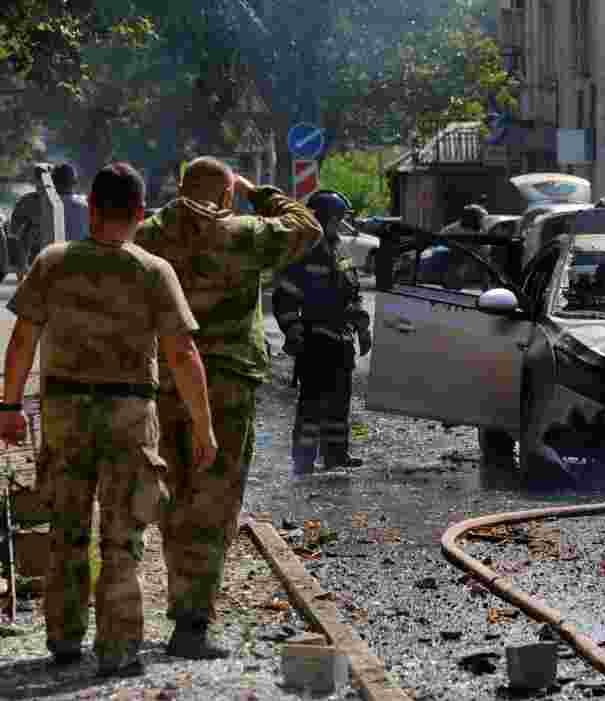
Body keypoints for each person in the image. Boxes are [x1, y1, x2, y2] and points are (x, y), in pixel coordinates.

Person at [0, 162, 217, 677]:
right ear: (140, 214)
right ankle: (118, 650)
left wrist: (8, 407)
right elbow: (184, 355)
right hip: (129, 418)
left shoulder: (52, 263)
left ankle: (63, 642)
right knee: (122, 540)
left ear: (91, 209)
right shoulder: (152, 271)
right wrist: (204, 427)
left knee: (66, 531)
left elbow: (23, 339)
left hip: (64, 415)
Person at [135, 156, 322, 659]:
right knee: (215, 499)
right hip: (229, 388)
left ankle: (178, 603)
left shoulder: (150, 233)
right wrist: (257, 191)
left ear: (179, 188)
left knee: (175, 491)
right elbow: (308, 226)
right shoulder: (243, 233)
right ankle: (193, 623)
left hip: (170, 379)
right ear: (226, 197)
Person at [272, 190, 372, 475]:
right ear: (323, 219)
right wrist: (293, 330)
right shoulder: (302, 253)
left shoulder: (340, 251)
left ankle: (336, 455)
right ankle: (303, 460)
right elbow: (285, 298)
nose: (339, 225)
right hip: (314, 340)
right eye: (336, 219)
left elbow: (353, 292)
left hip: (341, 340)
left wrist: (362, 328)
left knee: (339, 403)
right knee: (312, 405)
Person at [53, 163, 90, 242]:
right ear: (74, 182)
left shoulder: (45, 204)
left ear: (53, 182)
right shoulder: (85, 204)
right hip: (80, 251)